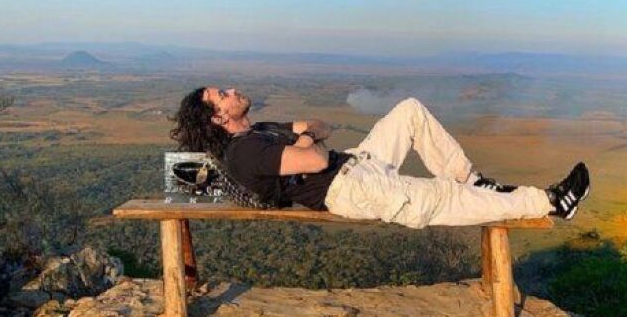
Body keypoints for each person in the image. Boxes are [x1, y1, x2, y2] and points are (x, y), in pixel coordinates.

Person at [170, 87, 590, 228]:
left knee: (409, 111)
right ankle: (551, 202)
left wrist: (306, 138)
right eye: (220, 96)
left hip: (355, 162)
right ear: (219, 117)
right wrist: (305, 142)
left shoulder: (260, 132)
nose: (229, 90)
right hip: (352, 188)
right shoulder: (245, 152)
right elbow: (315, 162)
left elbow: (321, 128)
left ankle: (471, 178)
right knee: (440, 199)